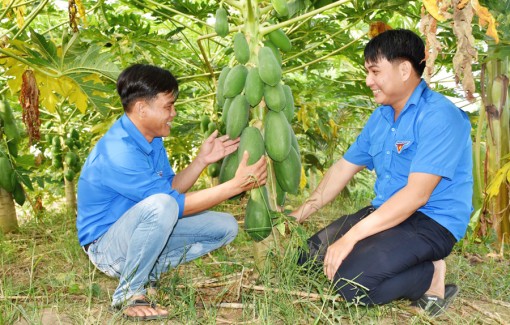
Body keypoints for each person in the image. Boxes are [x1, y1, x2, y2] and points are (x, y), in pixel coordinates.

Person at [290, 29, 472, 317]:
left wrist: (351, 237)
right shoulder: (381, 117)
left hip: (431, 221)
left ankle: (430, 274)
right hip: (387, 213)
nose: (368, 81)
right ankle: (392, 256)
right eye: (367, 72)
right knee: (306, 262)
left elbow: (417, 195)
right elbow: (343, 168)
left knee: (351, 284)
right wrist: (299, 213)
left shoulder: (440, 116)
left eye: (375, 71)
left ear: (403, 70)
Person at [76, 64, 267, 321]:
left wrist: (202, 160)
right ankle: (129, 293)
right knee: (162, 206)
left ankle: (147, 269)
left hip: (136, 231)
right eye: (168, 106)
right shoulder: (118, 151)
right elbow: (170, 204)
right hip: (106, 248)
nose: (173, 113)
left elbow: (168, 188)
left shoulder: (151, 139)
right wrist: (235, 186)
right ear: (142, 108)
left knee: (226, 226)